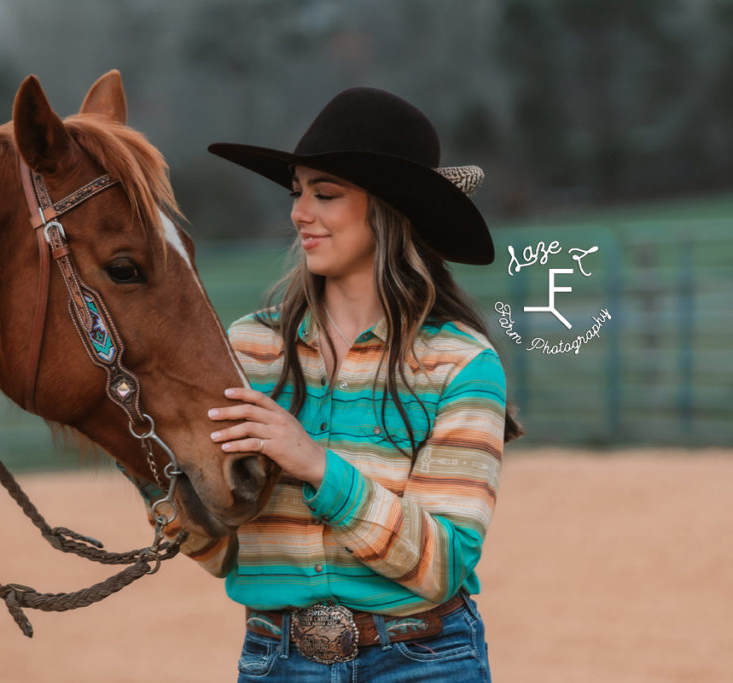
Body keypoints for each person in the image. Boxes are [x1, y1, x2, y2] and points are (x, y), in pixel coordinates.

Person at [182, 86, 523, 682]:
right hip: (276, 662)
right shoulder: (246, 351)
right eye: (297, 192)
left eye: (326, 194)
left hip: (424, 662)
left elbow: (441, 564)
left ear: (388, 210)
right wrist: (160, 481)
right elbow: (224, 551)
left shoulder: (460, 363)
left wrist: (316, 464)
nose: (299, 213)